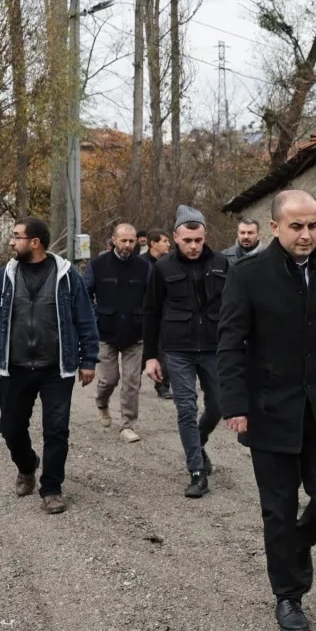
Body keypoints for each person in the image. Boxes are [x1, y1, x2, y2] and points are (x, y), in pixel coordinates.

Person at [218, 190, 316, 631]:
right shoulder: (248, 275)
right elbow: (230, 343)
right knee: (278, 510)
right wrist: (235, 405)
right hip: (269, 411)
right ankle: (289, 595)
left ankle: (293, 547)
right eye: (297, 227)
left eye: (313, 226)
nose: (306, 235)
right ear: (275, 228)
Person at [0, 217, 100, 514]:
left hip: (56, 369)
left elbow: (85, 320)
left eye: (16, 236)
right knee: (10, 428)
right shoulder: (2, 277)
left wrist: (88, 360)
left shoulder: (68, 277)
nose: (11, 241)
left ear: (35, 243)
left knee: (56, 430)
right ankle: (27, 465)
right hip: (15, 368)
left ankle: (52, 488)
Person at [143, 206, 229, 499]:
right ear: (176, 238)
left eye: (198, 240)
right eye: (187, 240)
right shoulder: (163, 268)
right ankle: (196, 470)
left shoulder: (221, 263)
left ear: (205, 236)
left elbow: (233, 309)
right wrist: (151, 357)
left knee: (219, 405)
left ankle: (198, 441)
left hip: (214, 347)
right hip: (178, 348)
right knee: (186, 408)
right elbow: (151, 313)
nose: (193, 246)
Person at [83, 222, 149, 443]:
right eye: (124, 240)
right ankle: (102, 403)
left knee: (132, 381)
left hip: (135, 332)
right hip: (106, 331)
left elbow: (153, 298)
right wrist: (95, 316)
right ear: (113, 240)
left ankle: (127, 425)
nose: (128, 245)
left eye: (131, 241)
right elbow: (85, 295)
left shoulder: (144, 267)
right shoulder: (98, 265)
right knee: (109, 379)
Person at [141, 231, 174, 400]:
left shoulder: (170, 263)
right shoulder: (141, 264)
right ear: (153, 243)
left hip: (163, 315)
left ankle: (163, 385)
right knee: (141, 350)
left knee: (163, 352)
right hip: (142, 314)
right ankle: (133, 381)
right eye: (165, 241)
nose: (168, 244)